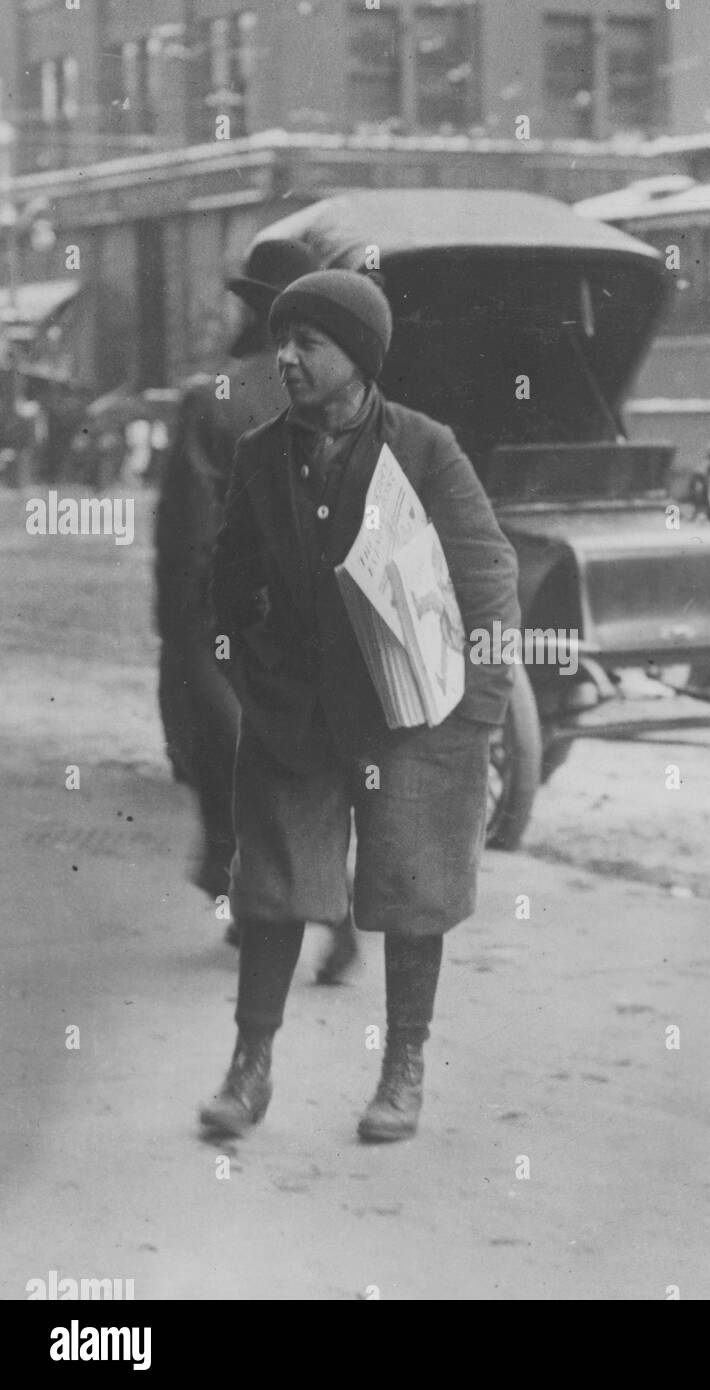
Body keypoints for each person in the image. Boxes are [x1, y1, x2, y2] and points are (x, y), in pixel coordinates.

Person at [199, 269, 520, 1143]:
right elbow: (227, 580)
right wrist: (254, 671)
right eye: (282, 340)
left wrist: (475, 707)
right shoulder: (261, 453)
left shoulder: (424, 449)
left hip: (410, 711)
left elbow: (487, 577)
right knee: (270, 886)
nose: (288, 358)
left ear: (361, 357)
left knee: (414, 887)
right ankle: (249, 1067)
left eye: (310, 343)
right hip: (296, 710)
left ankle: (401, 1070)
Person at [155, 239, 357, 979]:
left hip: (229, 615)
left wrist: (180, 627)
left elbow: (187, 531)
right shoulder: (344, 389)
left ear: (249, 309)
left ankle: (277, 899)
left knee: (231, 754)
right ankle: (302, 905)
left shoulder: (214, 396)